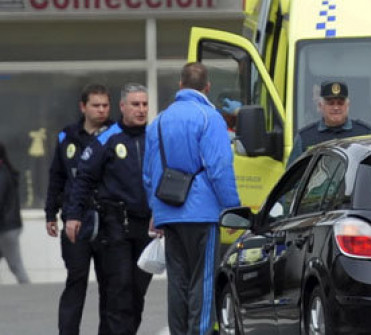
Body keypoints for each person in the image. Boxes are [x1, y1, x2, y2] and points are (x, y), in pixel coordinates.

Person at [142, 62, 240, 335]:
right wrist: (233, 208)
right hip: (202, 212)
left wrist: (155, 210)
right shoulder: (210, 117)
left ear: (180, 85)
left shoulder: (158, 121)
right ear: (207, 87)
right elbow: (219, 167)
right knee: (203, 280)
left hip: (169, 213)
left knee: (178, 281)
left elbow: (148, 174)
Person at [63, 83, 154, 335]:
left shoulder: (155, 136)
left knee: (137, 292)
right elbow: (83, 179)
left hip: (146, 227)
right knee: (119, 289)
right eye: (135, 104)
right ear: (123, 107)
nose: (141, 109)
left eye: (145, 104)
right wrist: (73, 215)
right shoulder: (106, 138)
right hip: (116, 226)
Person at [45, 83, 113, 335]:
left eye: (106, 105)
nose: (102, 110)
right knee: (76, 282)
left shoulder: (116, 134)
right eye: (96, 105)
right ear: (83, 107)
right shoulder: (67, 136)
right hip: (77, 221)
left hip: (108, 222)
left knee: (109, 286)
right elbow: (56, 176)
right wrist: (50, 213)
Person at [286, 81, 371, 163]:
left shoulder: (364, 134)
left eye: (340, 103)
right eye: (331, 103)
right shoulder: (305, 138)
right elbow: (293, 175)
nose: (336, 107)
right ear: (320, 106)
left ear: (348, 106)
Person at [0, 142, 30, 284]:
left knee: (16, 266)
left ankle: (30, 293)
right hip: (9, 226)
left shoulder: (2, 174)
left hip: (6, 228)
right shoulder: (6, 171)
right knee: (15, 265)